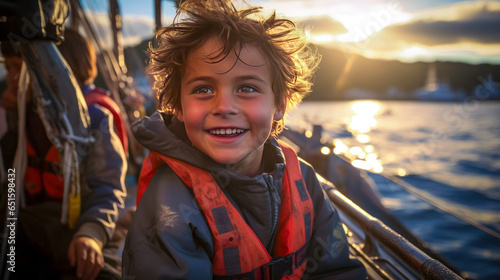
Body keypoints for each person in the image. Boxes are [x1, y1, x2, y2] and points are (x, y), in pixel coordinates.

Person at [122, 0, 367, 279]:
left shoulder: (304, 180)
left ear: (279, 105)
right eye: (203, 89)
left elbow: (337, 269)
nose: (224, 107)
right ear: (178, 106)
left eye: (247, 88)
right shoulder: (170, 205)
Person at [0, 31, 127, 280]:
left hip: (85, 225)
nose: (12, 78)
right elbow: (13, 177)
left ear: (54, 70)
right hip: (38, 223)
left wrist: (90, 233)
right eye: (8, 68)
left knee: (105, 274)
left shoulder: (95, 119)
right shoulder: (24, 113)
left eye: (19, 68)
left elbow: (107, 187)